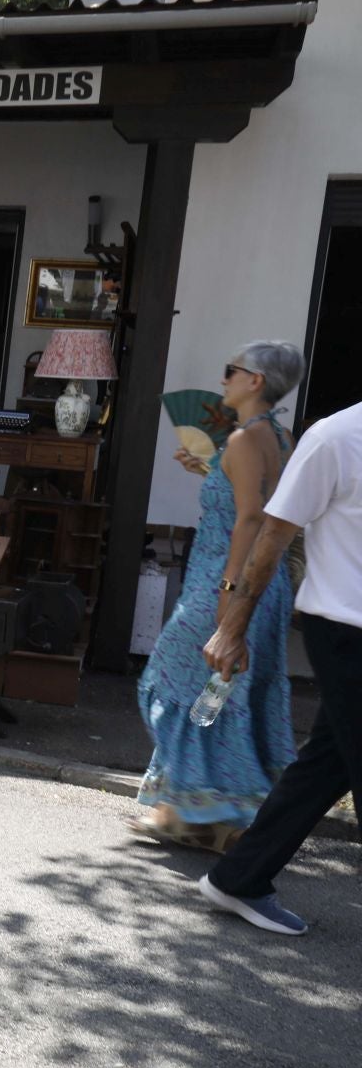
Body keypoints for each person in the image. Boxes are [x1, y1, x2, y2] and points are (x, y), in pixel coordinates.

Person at [198, 394, 362, 936]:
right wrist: (232, 625)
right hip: (344, 628)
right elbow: (273, 532)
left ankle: (239, 878)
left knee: (327, 765)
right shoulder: (334, 439)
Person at [133, 342, 303, 851]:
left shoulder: (248, 438)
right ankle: (198, 817)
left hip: (225, 582)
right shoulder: (276, 434)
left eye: (232, 370)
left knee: (167, 681)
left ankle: (208, 810)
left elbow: (252, 517)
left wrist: (228, 596)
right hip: (260, 587)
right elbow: (256, 497)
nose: (222, 377)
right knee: (223, 695)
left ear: (256, 381)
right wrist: (211, 471)